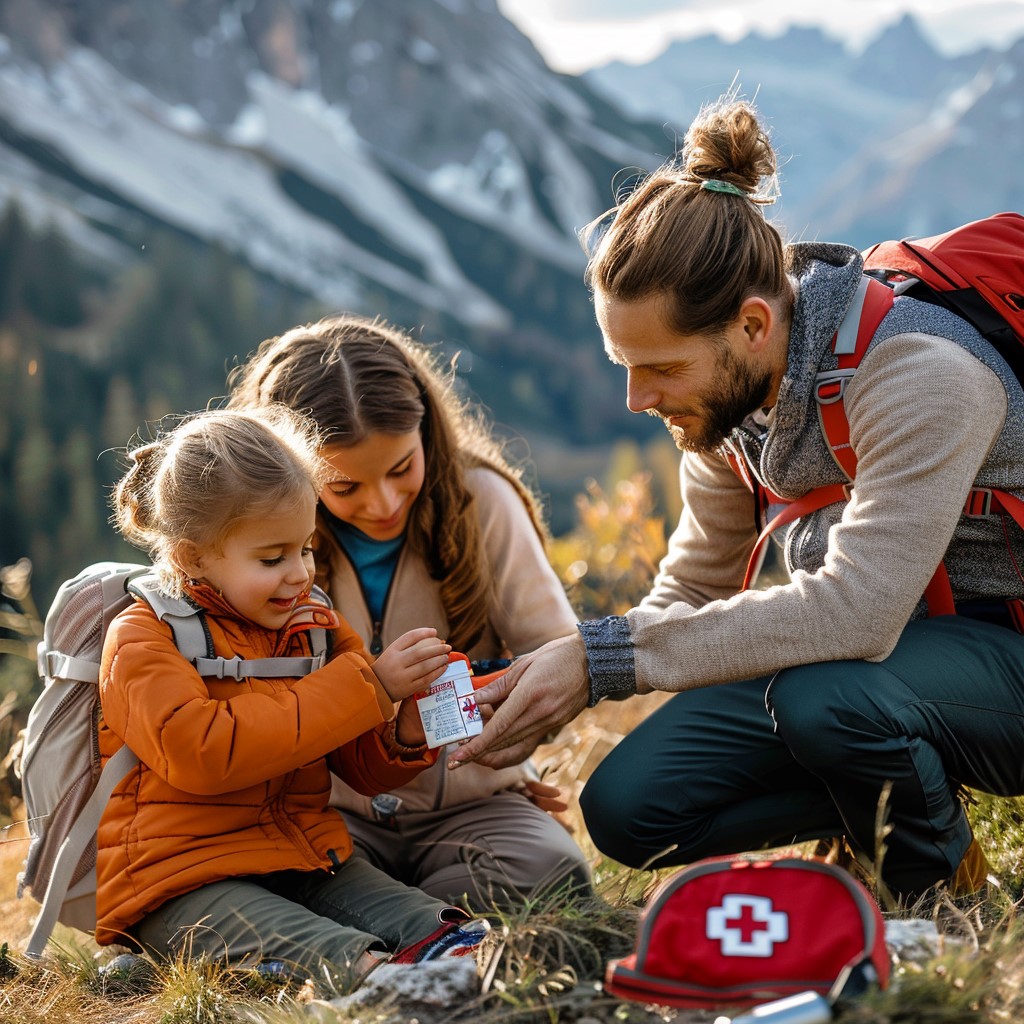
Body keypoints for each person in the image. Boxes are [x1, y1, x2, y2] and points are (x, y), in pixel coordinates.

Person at [449, 95, 1024, 901]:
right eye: (624, 362)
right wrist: (561, 678)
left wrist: (606, 659)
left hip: (995, 655)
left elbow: (859, 611)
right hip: (899, 669)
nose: (635, 398)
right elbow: (692, 586)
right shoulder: (726, 412)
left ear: (753, 325)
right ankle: (890, 792)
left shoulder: (920, 374)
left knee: (827, 695)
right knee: (628, 811)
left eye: (659, 367)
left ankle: (937, 898)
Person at [98, 405, 491, 985]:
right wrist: (368, 687)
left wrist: (402, 728)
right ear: (191, 556)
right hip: (176, 881)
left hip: (302, 857)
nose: (299, 573)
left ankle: (447, 977)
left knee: (449, 934)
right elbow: (203, 752)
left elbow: (360, 766)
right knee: (346, 960)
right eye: (271, 557)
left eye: (305, 548)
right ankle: (379, 984)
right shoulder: (143, 638)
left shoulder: (314, 626)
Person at [227, 315, 591, 910]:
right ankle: (418, 919)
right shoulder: (261, 543)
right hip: (324, 813)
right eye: (344, 488)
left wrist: (507, 741)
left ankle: (387, 917)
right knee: (268, 883)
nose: (383, 503)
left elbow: (556, 655)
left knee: (551, 871)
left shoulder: (484, 503)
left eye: (401, 469)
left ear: (427, 427)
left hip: (474, 806)